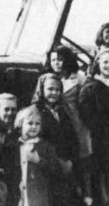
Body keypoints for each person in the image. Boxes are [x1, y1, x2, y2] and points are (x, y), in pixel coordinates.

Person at [40, 46, 92, 204]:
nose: (57, 63)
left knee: (82, 159)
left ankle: (87, 194)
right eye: (53, 59)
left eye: (60, 59)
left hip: (76, 121)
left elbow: (87, 99)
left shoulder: (78, 77)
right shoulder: (47, 78)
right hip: (58, 121)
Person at [78, 49, 109, 206]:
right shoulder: (92, 86)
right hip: (100, 135)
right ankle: (105, 199)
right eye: (105, 62)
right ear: (98, 64)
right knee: (102, 167)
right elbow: (85, 110)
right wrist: (99, 127)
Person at [30, 73, 79, 206]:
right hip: (46, 165)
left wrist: (70, 161)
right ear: (41, 89)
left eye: (58, 90)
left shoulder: (62, 110)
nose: (54, 93)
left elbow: (71, 137)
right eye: (50, 89)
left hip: (65, 164)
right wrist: (57, 162)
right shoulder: (35, 112)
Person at [12, 106, 59, 206]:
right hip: (19, 196)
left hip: (39, 195)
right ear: (21, 124)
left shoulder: (45, 146)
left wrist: (39, 160)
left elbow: (55, 169)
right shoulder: (15, 146)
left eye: (37, 124)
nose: (34, 127)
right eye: (30, 123)